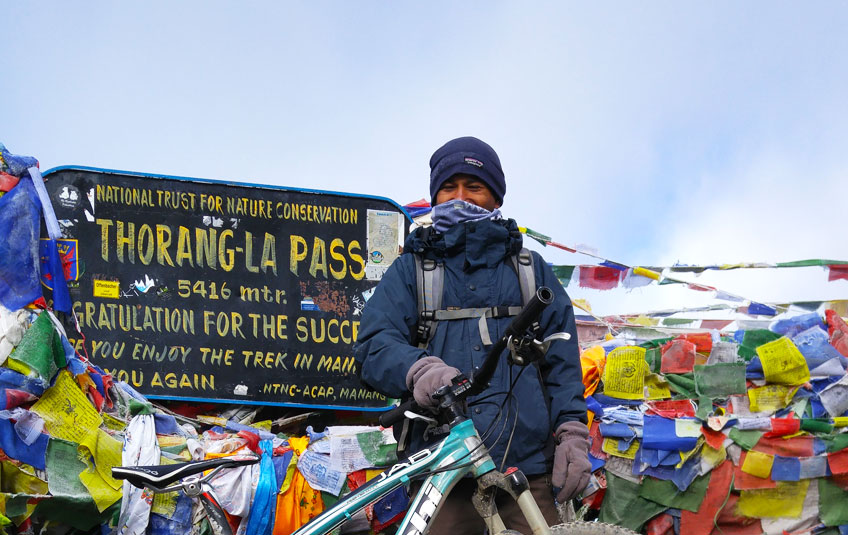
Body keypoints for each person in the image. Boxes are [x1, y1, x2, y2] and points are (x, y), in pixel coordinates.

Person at [353, 136, 589, 534]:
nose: (460, 197)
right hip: (443, 472)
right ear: (434, 197)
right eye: (449, 187)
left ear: (496, 198)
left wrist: (573, 435)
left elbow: (562, 365)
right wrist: (420, 370)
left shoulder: (532, 271)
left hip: (527, 473)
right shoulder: (411, 271)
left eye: (474, 187)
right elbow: (374, 344)